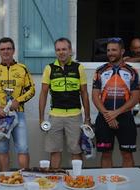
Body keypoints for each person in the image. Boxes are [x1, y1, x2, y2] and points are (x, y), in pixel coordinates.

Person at [0, 37, 35, 171]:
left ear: (13, 50)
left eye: (8, 49)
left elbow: (32, 89)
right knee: (2, 149)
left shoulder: (22, 69)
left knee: (23, 148)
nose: (5, 52)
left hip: (19, 114)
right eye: (2, 49)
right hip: (1, 115)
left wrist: (19, 100)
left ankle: (25, 178)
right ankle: (5, 179)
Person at [39, 37, 91, 169]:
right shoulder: (49, 68)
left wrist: (87, 118)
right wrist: (41, 118)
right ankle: (55, 180)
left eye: (64, 49)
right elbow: (43, 94)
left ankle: (77, 182)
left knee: (76, 150)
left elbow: (84, 93)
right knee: (55, 151)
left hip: (75, 116)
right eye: (58, 50)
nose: (61, 52)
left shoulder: (78, 68)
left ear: (70, 51)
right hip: (55, 116)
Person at [92, 37, 140, 168]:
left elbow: (135, 98)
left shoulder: (132, 71)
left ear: (122, 51)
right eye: (108, 50)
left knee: (127, 155)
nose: (110, 53)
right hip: (104, 119)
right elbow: (95, 96)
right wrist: (108, 115)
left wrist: (116, 113)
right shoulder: (100, 71)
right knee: (106, 154)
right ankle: (108, 187)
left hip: (125, 118)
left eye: (114, 50)